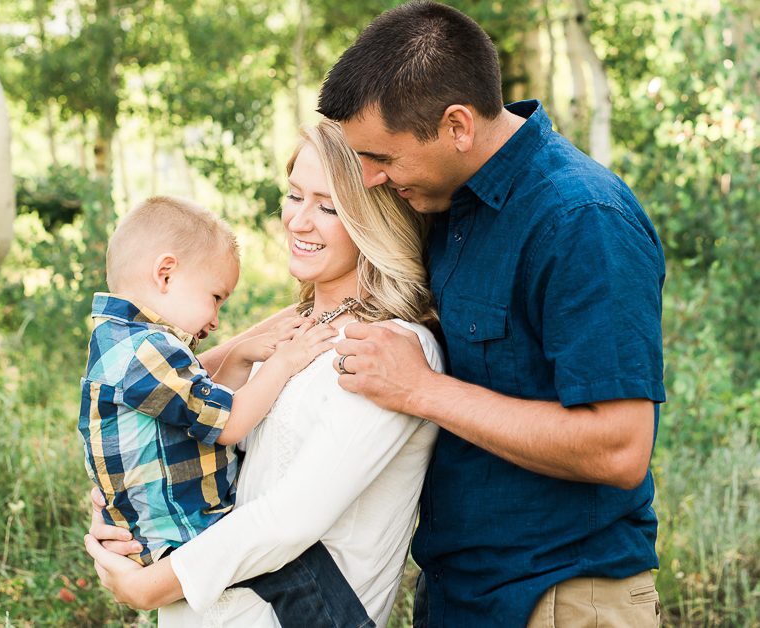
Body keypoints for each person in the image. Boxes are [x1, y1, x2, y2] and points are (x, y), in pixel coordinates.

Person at [317, 2, 666, 626]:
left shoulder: (581, 220)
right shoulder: (446, 205)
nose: (369, 179)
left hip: (561, 597)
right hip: (459, 594)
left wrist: (422, 390)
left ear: (457, 125)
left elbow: (619, 447)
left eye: (383, 158)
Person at [84, 119, 445, 627]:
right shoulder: (296, 330)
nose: (298, 221)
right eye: (294, 195)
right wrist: (124, 505)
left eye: (327, 206)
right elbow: (175, 423)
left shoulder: (393, 350)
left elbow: (289, 519)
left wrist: (146, 585)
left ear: (373, 218)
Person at [78, 195, 370, 626]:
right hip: (180, 529)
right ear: (166, 274)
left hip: (167, 524)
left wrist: (238, 359)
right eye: (215, 297)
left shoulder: (128, 342)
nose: (215, 320)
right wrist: (286, 361)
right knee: (294, 567)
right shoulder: (146, 351)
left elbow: (201, 413)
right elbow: (228, 424)